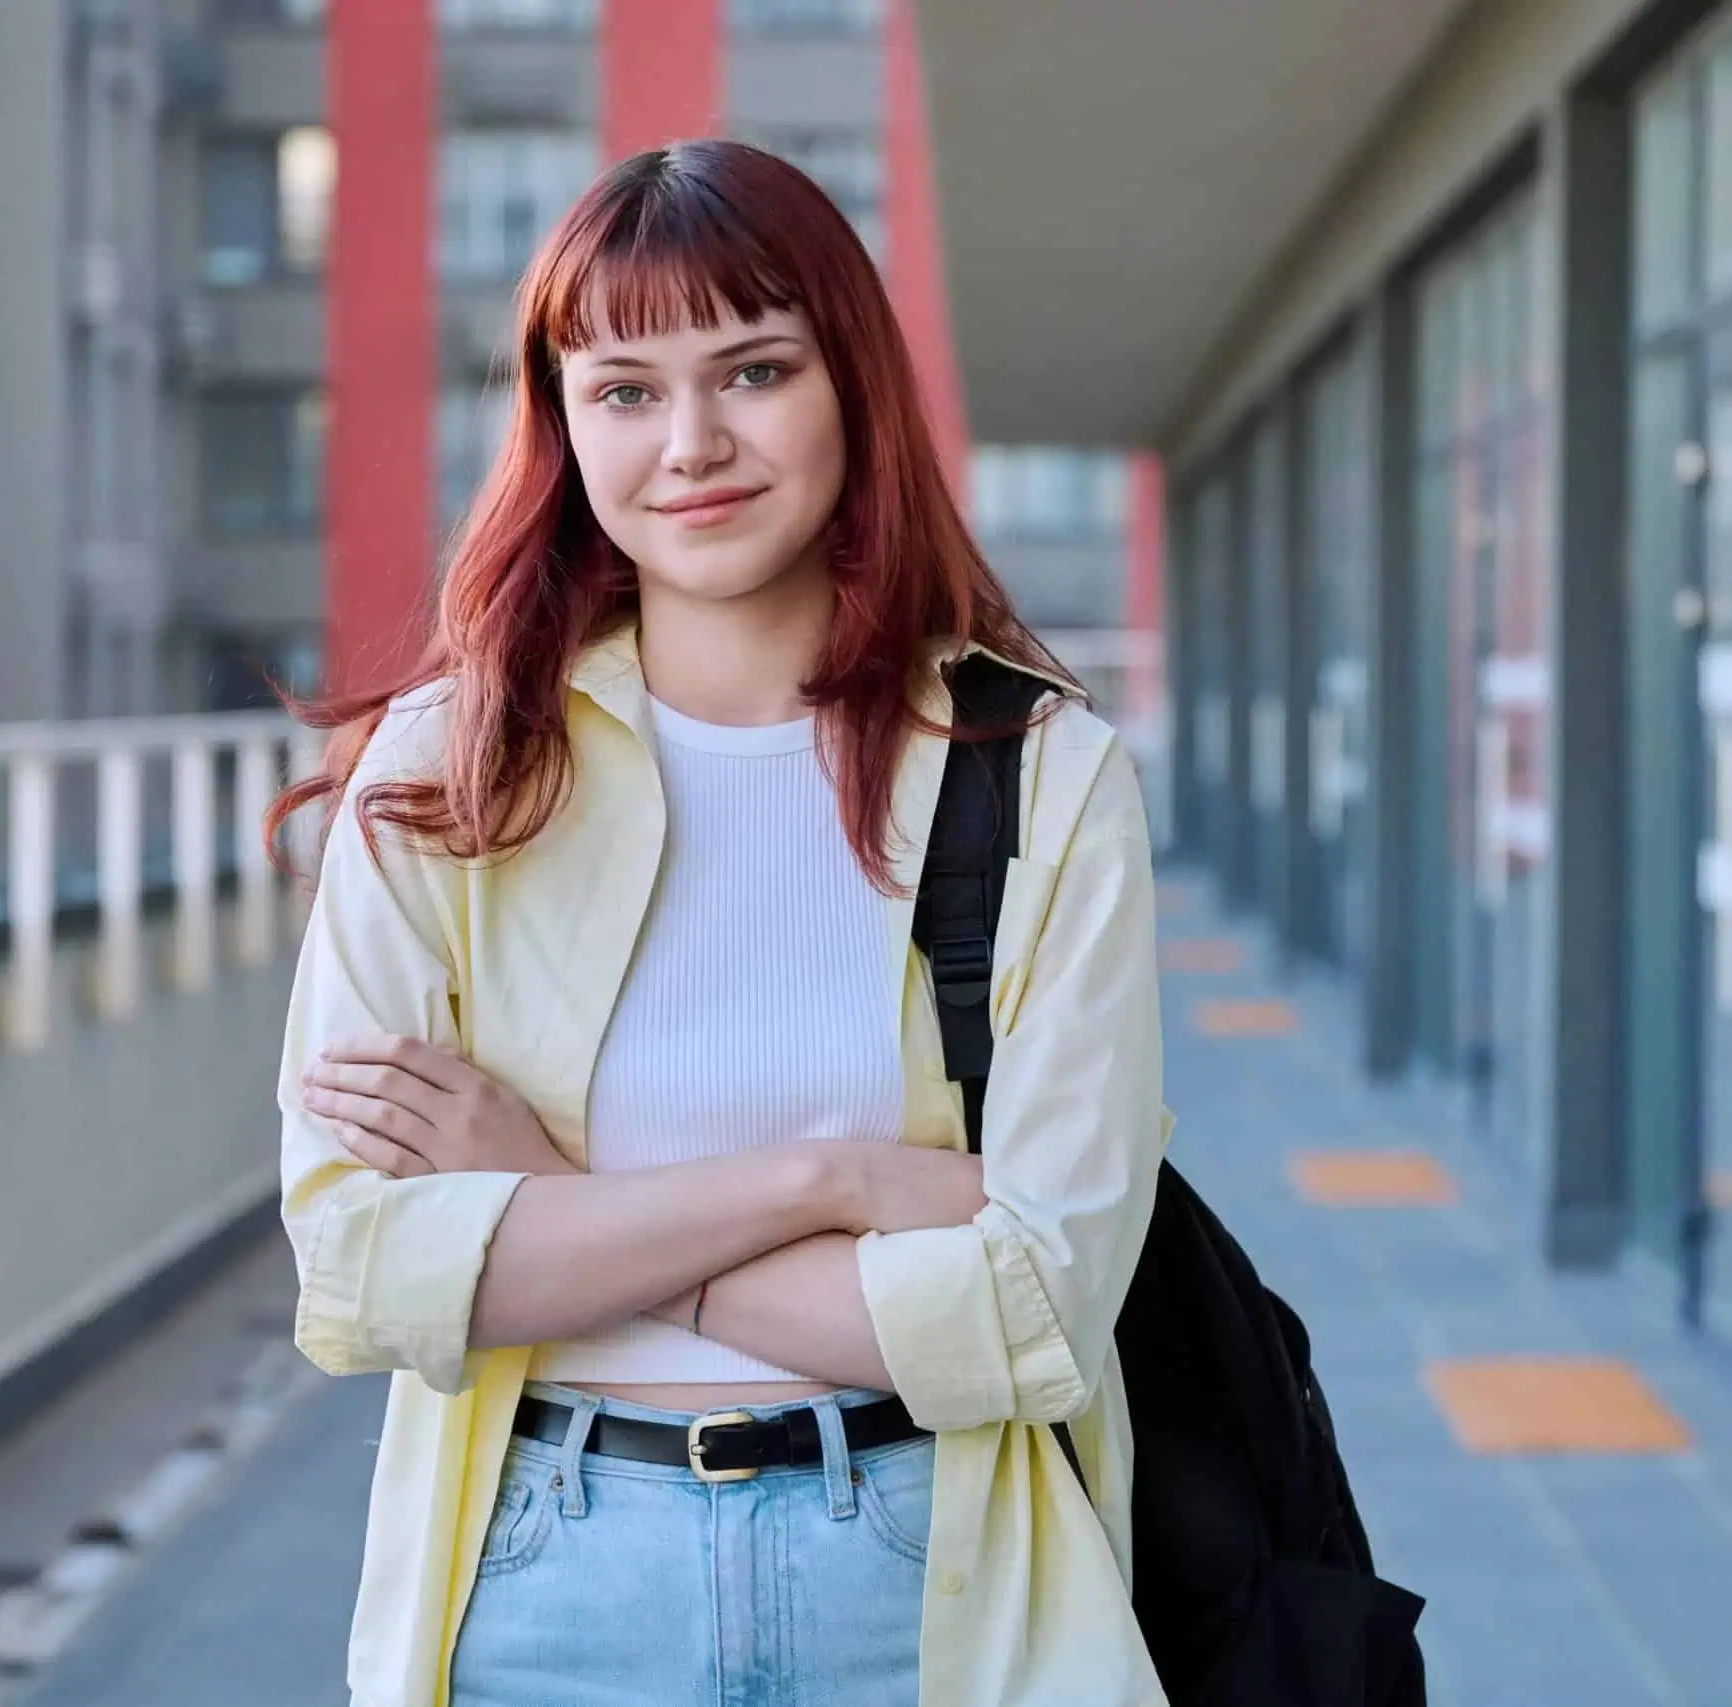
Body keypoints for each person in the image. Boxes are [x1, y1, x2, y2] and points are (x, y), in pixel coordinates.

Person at [270, 139, 1169, 1707]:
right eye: (623, 388)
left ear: (851, 388)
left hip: (923, 1571)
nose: (691, 444)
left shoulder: (1038, 779)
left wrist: (555, 1200)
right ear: (560, 423)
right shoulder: (447, 775)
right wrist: (822, 1184)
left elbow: (1031, 1312)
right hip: (548, 1579)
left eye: (753, 370)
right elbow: (361, 1266)